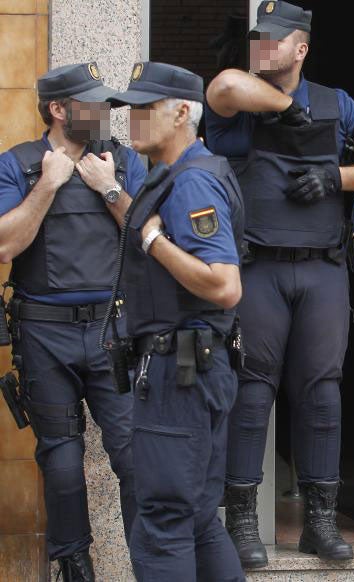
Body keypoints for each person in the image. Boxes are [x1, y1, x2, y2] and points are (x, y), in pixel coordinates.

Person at [205, 0, 354, 566]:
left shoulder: (337, 105)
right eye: (257, 38)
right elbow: (222, 86)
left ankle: (320, 521)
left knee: (322, 395)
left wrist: (334, 176)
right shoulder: (240, 100)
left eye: (275, 39)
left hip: (321, 270)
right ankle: (242, 523)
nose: (262, 48)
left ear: (302, 47)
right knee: (251, 394)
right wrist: (285, 108)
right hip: (259, 267)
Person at [0, 62, 145, 581]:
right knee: (61, 463)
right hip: (44, 334)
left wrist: (109, 189)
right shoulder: (19, 165)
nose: (106, 112)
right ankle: (75, 565)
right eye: (94, 103)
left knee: (133, 457)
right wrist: (49, 185)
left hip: (113, 331)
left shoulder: (124, 163)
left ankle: (150, 563)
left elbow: (150, 240)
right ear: (59, 110)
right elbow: (4, 245)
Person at [108, 61, 246, 581]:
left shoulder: (192, 183)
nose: (133, 121)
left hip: (179, 373)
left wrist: (151, 240)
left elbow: (224, 283)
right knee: (194, 520)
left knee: (162, 523)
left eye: (145, 110)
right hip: (191, 367)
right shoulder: (186, 175)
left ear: (184, 112)